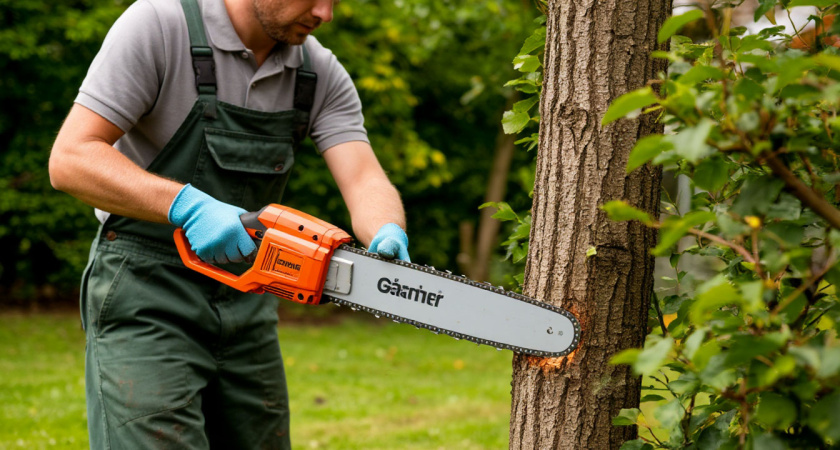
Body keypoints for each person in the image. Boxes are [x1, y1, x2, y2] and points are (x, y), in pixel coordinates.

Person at [48, 0, 410, 447]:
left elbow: (363, 176)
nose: (325, 13)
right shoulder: (160, 25)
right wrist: (187, 205)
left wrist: (385, 228)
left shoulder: (317, 71)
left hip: (248, 303)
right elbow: (70, 159)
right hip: (146, 295)